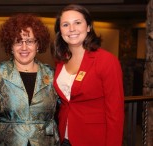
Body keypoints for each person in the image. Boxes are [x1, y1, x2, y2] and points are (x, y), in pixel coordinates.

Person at [52, 4, 124, 146]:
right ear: (60, 31)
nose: (71, 29)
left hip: (94, 139)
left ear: (89, 27)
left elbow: (115, 113)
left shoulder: (106, 61)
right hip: (64, 138)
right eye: (65, 24)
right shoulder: (61, 61)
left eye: (77, 23)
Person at [0, 13, 60, 146]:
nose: (24, 47)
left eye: (30, 41)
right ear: (11, 46)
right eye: (18, 41)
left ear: (38, 45)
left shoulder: (52, 75)